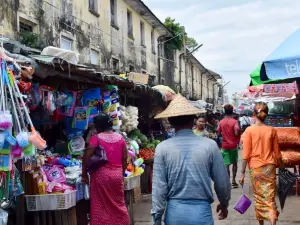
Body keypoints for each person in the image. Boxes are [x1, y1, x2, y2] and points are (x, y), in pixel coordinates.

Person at [152, 95, 231, 225]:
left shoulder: (162, 148)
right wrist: (224, 203)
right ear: (193, 121)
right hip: (201, 215)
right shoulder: (210, 145)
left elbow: (159, 188)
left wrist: (156, 219)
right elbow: (222, 182)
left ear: (170, 122)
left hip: (174, 215)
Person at [82, 113, 129, 225]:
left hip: (101, 176)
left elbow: (86, 156)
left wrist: (84, 174)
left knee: (100, 207)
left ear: (98, 126)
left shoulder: (96, 138)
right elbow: (125, 158)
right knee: (118, 204)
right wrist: (121, 174)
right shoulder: (120, 138)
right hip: (117, 175)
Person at [239, 102, 283, 225]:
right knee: (269, 198)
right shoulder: (272, 130)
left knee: (259, 198)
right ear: (266, 114)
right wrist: (282, 165)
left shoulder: (249, 130)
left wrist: (242, 173)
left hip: (256, 169)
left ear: (254, 114)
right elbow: (277, 153)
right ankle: (273, 221)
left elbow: (246, 154)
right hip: (270, 168)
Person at [217, 104, 240, 188]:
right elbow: (237, 132)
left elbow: (218, 133)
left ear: (224, 111)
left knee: (226, 164)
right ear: (232, 111)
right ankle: (234, 180)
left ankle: (228, 182)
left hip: (224, 145)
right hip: (233, 145)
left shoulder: (221, 122)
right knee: (234, 163)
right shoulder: (235, 121)